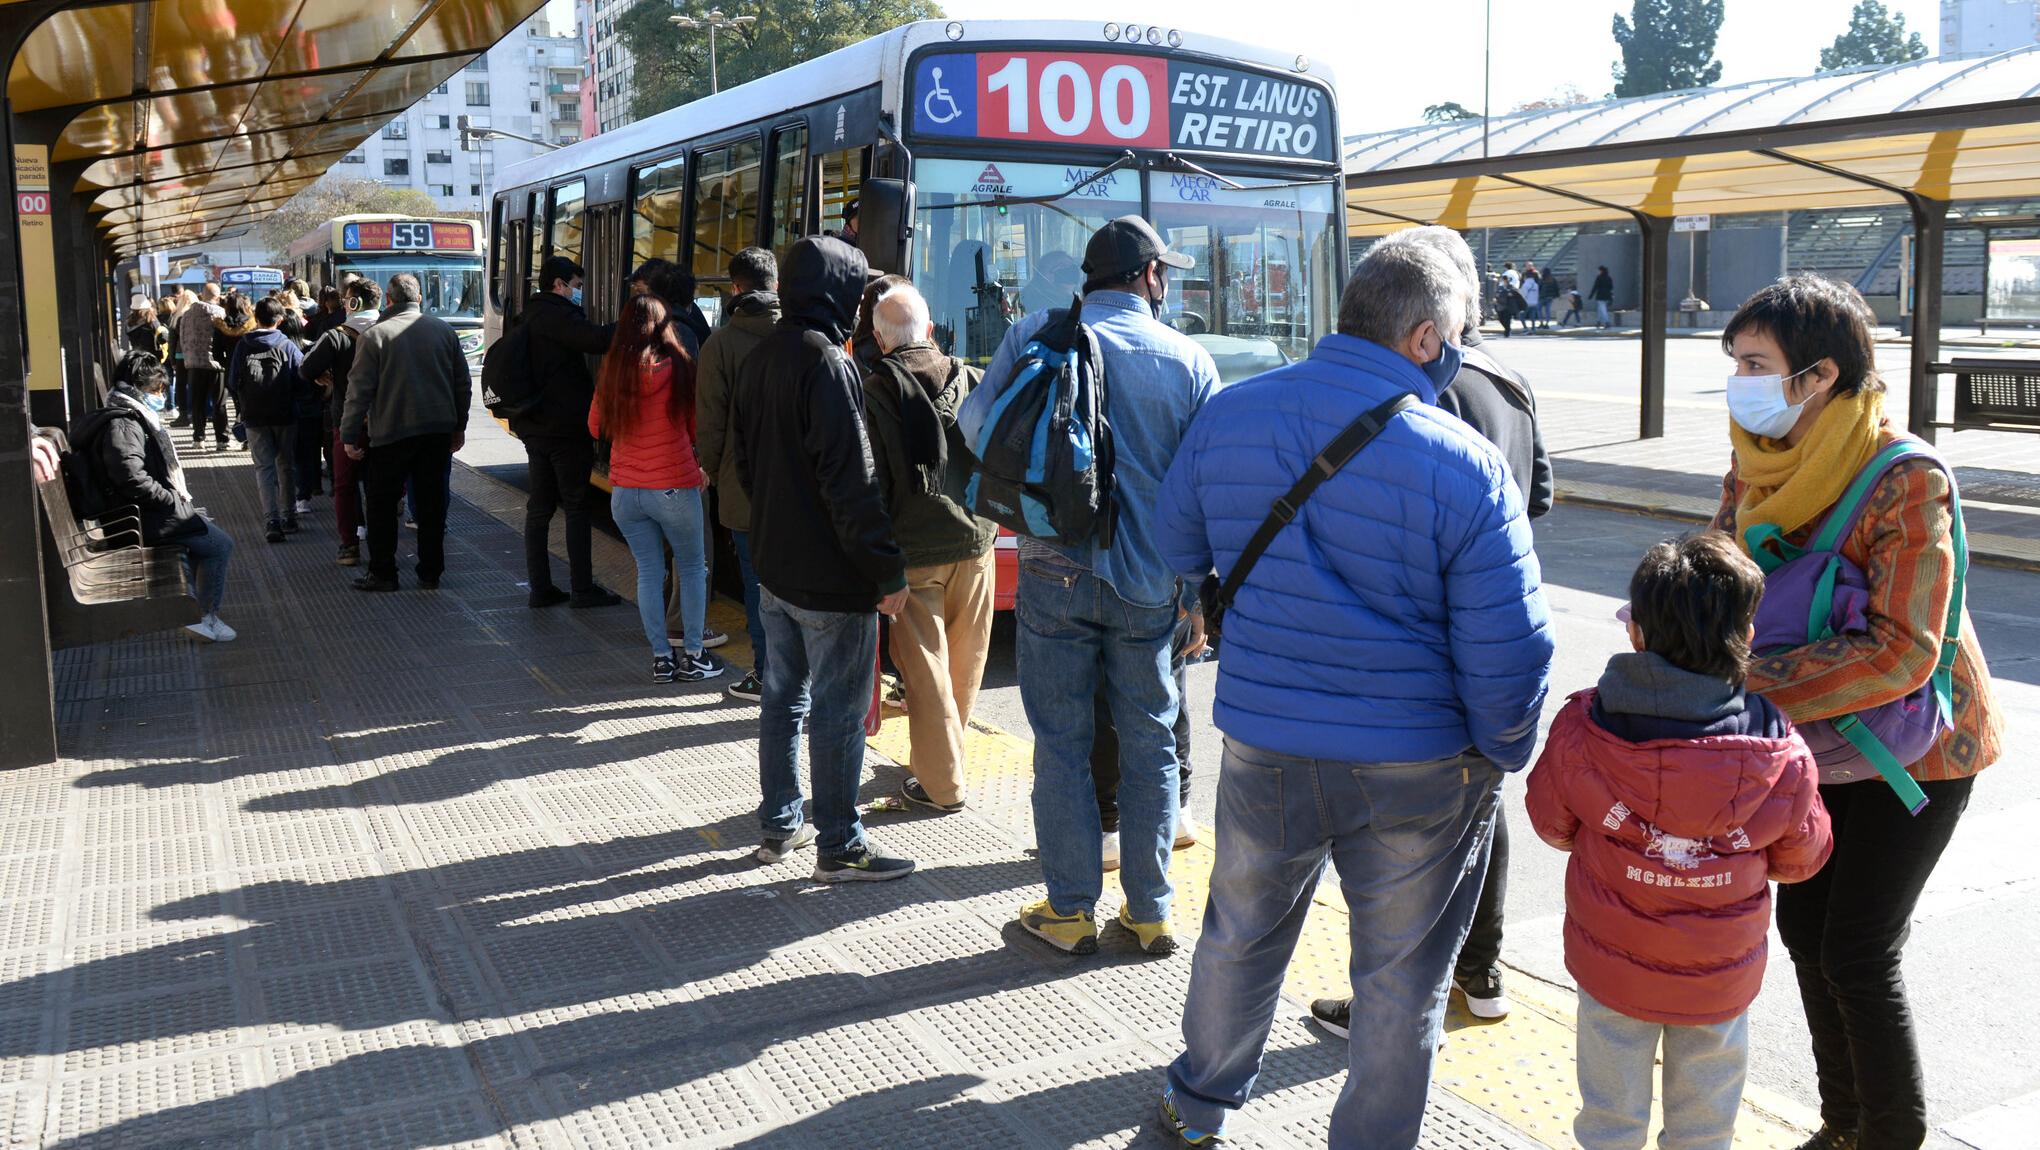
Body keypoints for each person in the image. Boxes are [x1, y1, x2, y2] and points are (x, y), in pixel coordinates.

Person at [1153, 230, 1552, 1148]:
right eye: (1451, 336)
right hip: (1422, 768)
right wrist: (1502, 752)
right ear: (1422, 339)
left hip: (1267, 743)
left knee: (1240, 932)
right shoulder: (1465, 464)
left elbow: (1178, 550)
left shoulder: (1229, 414)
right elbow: (1512, 648)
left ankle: (1200, 1103)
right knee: (1402, 980)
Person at [1708, 276, 2003, 1150]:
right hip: (1816, 742)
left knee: (1858, 952)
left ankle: (1890, 1136)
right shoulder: (1756, 461)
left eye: (1756, 364)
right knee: (1804, 928)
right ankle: (1842, 1127)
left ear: (1818, 376)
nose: (1739, 382)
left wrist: (1748, 683)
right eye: (1735, 364)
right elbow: (1721, 574)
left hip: (1917, 749)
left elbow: (1904, 649)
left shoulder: (1904, 480)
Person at [1306, 227, 1554, 1041]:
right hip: (1500, 622)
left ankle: (1397, 1001)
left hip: (1423, 639)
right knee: (1483, 808)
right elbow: (1539, 498)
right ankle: (1481, 975)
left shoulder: (1419, 390)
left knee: (1396, 842)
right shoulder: (1514, 382)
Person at [958, 215, 1220, 959]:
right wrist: (1195, 590)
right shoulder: (1190, 360)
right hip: (1150, 582)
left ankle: (1070, 911)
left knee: (1063, 744)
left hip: (1051, 569)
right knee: (1150, 744)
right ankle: (1150, 912)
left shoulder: (1040, 331)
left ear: (1089, 278)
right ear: (1149, 277)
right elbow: (1205, 488)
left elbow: (976, 430)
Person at [1528, 533, 1832, 1150]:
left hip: (1612, 961)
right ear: (1747, 636)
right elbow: (1802, 859)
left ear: (1636, 631)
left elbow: (1551, 825)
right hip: (1718, 974)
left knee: (1609, 1117)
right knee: (1706, 1125)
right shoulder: (1780, 752)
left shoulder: (1583, 729)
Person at [736, 234, 915, 883]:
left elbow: (748, 468)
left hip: (775, 570)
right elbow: (853, 482)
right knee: (839, 712)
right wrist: (886, 570)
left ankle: (779, 825)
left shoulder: (764, 355)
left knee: (783, 700)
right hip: (830, 582)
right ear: (840, 294)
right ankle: (839, 845)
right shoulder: (829, 364)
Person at [860, 281, 996, 815]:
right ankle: (946, 759)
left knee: (925, 669)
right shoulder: (972, 379)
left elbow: (870, 484)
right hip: (976, 540)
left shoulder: (875, 392)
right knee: (965, 662)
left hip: (913, 551)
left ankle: (942, 785)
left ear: (879, 338)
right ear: (932, 330)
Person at [592, 294, 725, 684]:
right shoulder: (682, 369)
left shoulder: (613, 373)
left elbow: (595, 426)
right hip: (673, 488)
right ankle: (695, 656)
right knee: (692, 567)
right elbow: (696, 429)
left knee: (649, 570)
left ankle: (661, 658)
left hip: (625, 492)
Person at [76, 353, 237, 643]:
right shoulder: (124, 424)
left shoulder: (125, 415)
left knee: (208, 540)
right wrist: (172, 500)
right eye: (156, 390)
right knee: (220, 545)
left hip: (136, 512)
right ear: (139, 389)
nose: (160, 396)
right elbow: (131, 477)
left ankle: (199, 614)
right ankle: (203, 616)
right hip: (138, 518)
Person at [340, 273, 471, 593]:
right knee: (432, 504)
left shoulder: (374, 337)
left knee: (382, 505)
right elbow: (462, 384)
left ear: (389, 299)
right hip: (436, 433)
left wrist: (349, 434)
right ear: (420, 298)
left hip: (391, 435)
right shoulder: (443, 331)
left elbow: (358, 392)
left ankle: (384, 573)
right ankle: (430, 572)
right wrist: (459, 426)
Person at [627, 257, 725, 651]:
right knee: (694, 556)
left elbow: (598, 421)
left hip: (633, 476)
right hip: (679, 467)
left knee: (652, 564)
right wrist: (702, 460)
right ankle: (685, 627)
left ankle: (661, 642)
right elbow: (696, 408)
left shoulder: (638, 339)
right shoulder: (686, 334)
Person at [696, 246, 780, 704]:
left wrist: (713, 469)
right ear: (777, 285)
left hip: (742, 490)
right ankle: (800, 673)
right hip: (799, 490)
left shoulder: (720, 344)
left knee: (757, 585)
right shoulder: (803, 335)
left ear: (734, 289)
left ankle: (767, 675)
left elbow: (708, 421)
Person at [515, 255, 620, 609]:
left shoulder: (528, 313)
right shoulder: (557, 315)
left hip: (535, 427)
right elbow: (598, 340)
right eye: (577, 286)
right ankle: (581, 588)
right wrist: (636, 319)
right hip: (564, 429)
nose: (580, 293)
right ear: (559, 285)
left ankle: (540, 587)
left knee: (540, 507)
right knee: (576, 506)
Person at [303, 278, 381, 566]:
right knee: (380, 486)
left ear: (353, 303)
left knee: (345, 486)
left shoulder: (337, 336)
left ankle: (349, 547)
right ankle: (382, 547)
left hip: (346, 421)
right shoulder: (391, 331)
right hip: (386, 421)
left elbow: (305, 368)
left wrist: (321, 377)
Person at [227, 297, 307, 543]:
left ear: (256, 318)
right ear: (280, 320)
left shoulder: (243, 345)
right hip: (285, 414)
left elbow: (232, 381)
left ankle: (271, 521)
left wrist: (242, 406)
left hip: (254, 416)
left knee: (264, 468)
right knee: (286, 465)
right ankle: (289, 516)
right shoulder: (286, 345)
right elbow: (302, 378)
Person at [177, 283, 229, 449]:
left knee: (197, 402)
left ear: (202, 295)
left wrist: (188, 357)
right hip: (215, 365)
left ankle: (198, 438)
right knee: (219, 403)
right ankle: (222, 439)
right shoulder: (220, 313)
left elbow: (182, 338)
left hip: (194, 364)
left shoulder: (186, 315)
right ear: (218, 296)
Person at [1520, 262, 1543, 329]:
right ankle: (1533, 327)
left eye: (1530, 265)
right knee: (1532, 314)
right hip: (1534, 299)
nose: (1528, 267)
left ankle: (1526, 328)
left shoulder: (1535, 273)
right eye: (1527, 265)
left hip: (1527, 300)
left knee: (1523, 315)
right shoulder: (1525, 273)